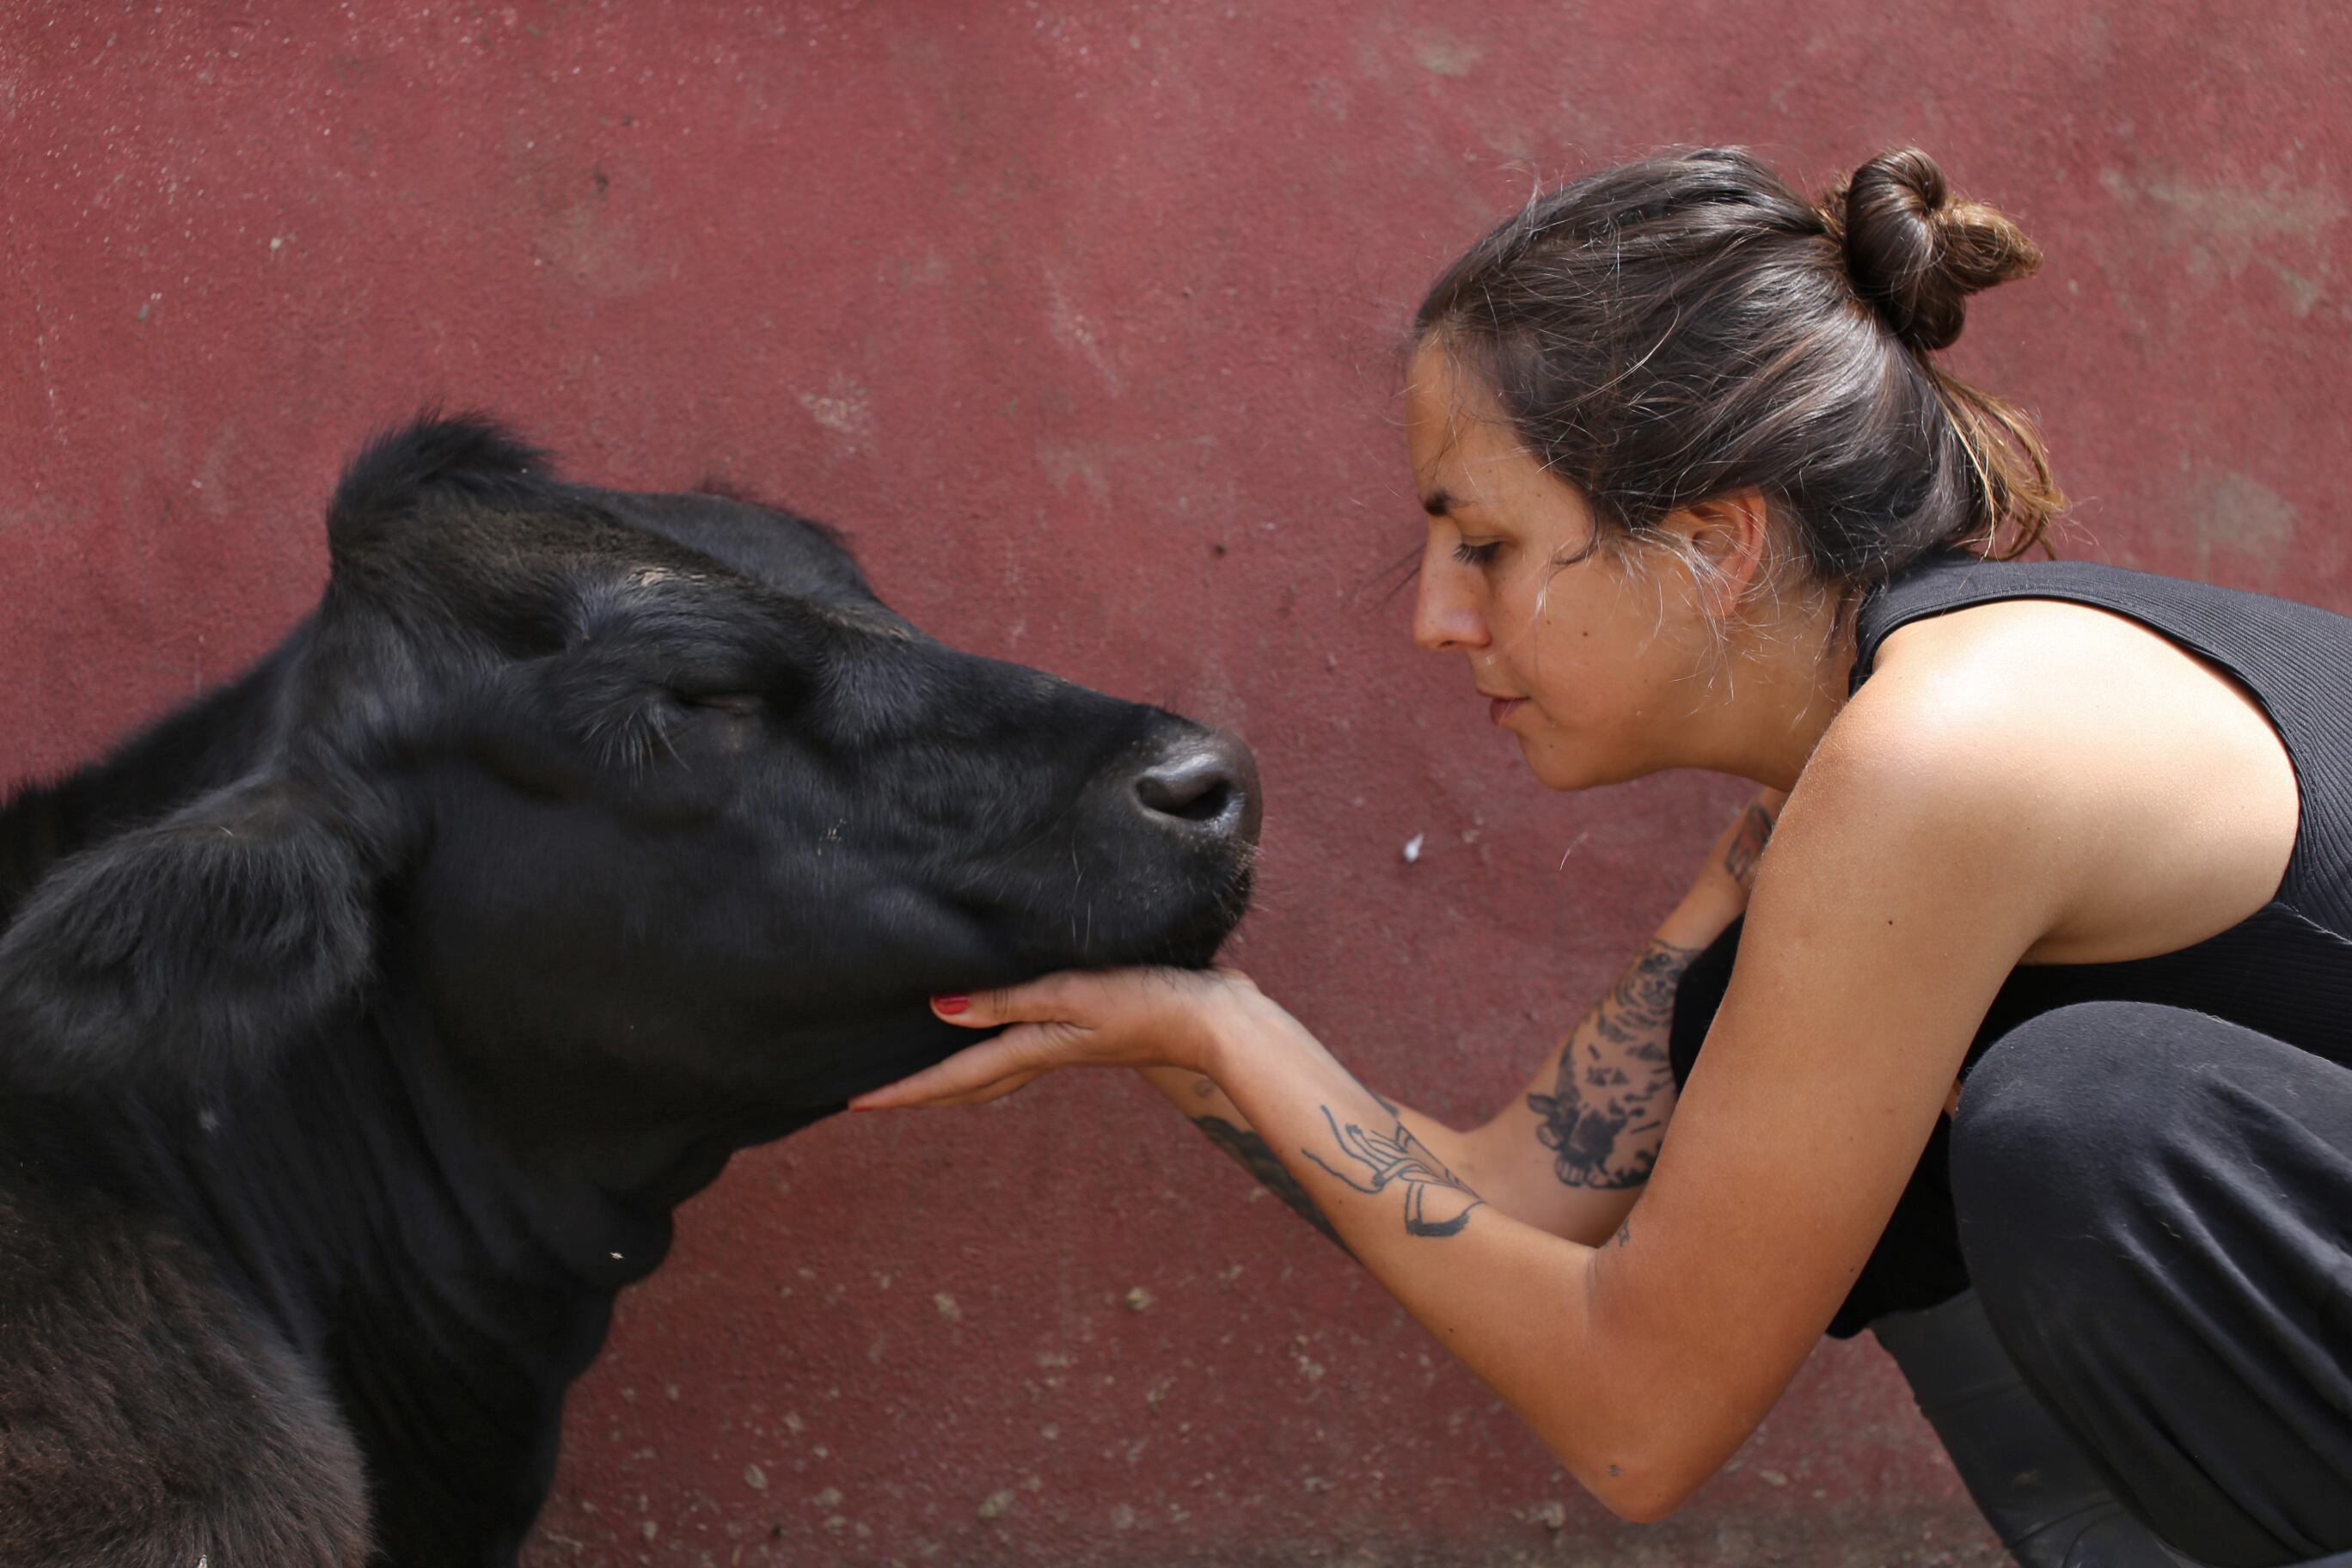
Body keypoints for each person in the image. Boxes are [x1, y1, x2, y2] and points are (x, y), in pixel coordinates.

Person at [851, 148, 2352, 1568]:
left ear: (1714, 544)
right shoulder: (1835, 798)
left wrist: (1230, 1028)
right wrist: (1174, 1029)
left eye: (1486, 544)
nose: (1439, 619)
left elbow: (1638, 1420)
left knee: (2077, 1117)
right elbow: (1516, 1195)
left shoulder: (1947, 757)